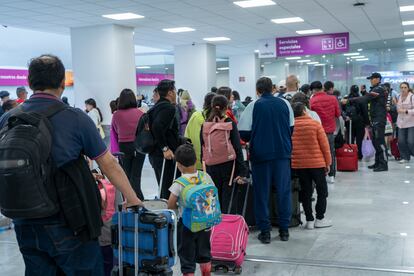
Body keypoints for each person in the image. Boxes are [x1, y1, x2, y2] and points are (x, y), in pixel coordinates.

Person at [0, 54, 142, 275]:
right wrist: (132, 198)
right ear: (62, 84)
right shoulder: (74, 118)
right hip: (68, 221)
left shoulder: (8, 118)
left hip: (23, 217)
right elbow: (109, 164)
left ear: (29, 83)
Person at [238, 77, 294, 243]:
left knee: (261, 193)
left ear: (258, 90)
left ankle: (265, 231)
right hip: (282, 155)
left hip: (261, 156)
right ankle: (284, 230)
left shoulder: (253, 106)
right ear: (273, 88)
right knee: (284, 191)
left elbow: (244, 133)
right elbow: (291, 128)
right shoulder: (285, 104)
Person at [168, 144, 214, 276]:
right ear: (195, 161)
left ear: (179, 165)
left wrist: (179, 207)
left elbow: (170, 205)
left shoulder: (180, 183)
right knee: (204, 252)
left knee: (187, 255)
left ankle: (189, 273)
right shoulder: (205, 177)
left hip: (187, 225)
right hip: (205, 223)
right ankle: (206, 272)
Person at [200, 95, 248, 214]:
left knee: (212, 198)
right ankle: (227, 226)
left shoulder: (205, 124)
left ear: (211, 106)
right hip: (228, 165)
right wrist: (242, 170)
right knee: (228, 198)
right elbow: (237, 147)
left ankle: (213, 227)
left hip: (210, 166)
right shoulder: (229, 122)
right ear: (226, 107)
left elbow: (202, 146)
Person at [291, 102, 332, 229]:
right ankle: (320, 218)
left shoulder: (291, 127)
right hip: (317, 164)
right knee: (322, 191)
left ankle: (309, 220)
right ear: (304, 111)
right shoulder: (315, 124)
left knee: (306, 191)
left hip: (299, 164)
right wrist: (328, 162)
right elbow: (325, 146)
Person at [342, 73, 388, 172]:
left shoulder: (379, 89)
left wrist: (349, 100)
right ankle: (378, 162)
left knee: (380, 142)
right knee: (375, 142)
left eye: (372, 79)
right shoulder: (375, 89)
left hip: (379, 119)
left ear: (378, 79)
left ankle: (383, 164)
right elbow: (366, 98)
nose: (370, 80)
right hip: (375, 119)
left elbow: (364, 99)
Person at [149, 79, 183, 199]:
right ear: (170, 92)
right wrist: (165, 148)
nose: (175, 93)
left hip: (155, 154)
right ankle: (169, 214)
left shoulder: (156, 107)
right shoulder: (168, 108)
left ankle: (167, 213)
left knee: (164, 187)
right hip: (164, 155)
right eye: (174, 90)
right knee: (169, 189)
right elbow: (157, 126)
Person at [111, 89, 145, 200]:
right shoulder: (141, 113)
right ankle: (139, 199)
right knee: (136, 175)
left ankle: (129, 199)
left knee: (126, 174)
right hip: (139, 146)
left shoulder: (116, 115)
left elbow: (115, 130)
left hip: (123, 146)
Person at [310, 81, 340, 184]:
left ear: (313, 90)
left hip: (316, 130)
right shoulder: (333, 99)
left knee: (317, 153)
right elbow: (338, 113)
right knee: (330, 152)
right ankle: (331, 175)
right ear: (322, 87)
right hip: (329, 131)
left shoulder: (312, 101)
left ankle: (320, 175)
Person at [184, 92, 216, 170]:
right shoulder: (221, 118)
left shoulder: (195, 116)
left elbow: (187, 136)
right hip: (216, 160)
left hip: (197, 160)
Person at [343, 85, 369, 160]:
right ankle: (359, 154)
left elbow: (343, 110)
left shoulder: (346, 99)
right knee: (359, 139)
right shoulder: (361, 99)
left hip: (349, 121)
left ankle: (351, 152)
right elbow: (365, 111)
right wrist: (367, 123)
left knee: (350, 138)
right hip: (360, 121)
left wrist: (345, 119)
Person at [396, 82, 414, 163]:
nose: (403, 89)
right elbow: (398, 108)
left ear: (408, 88)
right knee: (401, 141)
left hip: (411, 122)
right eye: (402, 87)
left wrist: (406, 111)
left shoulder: (412, 97)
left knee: (411, 141)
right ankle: (405, 157)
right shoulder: (399, 96)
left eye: (405, 87)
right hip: (401, 122)